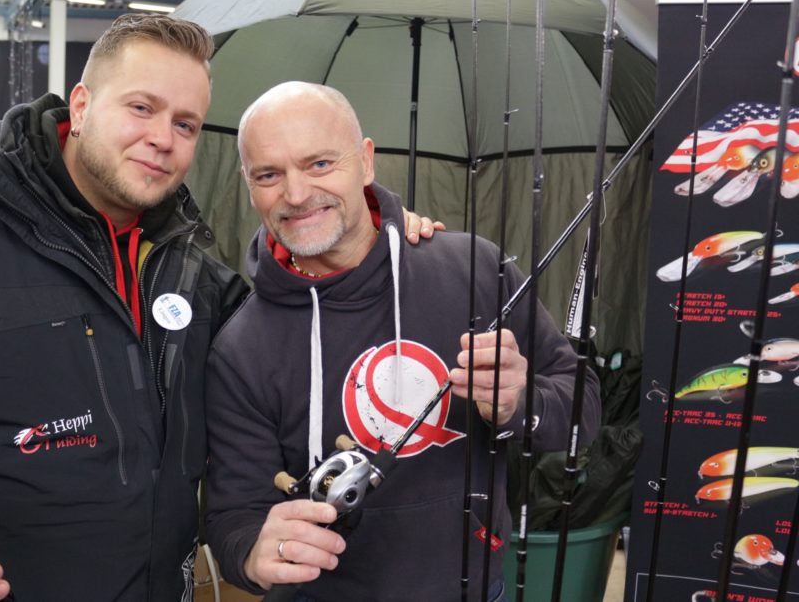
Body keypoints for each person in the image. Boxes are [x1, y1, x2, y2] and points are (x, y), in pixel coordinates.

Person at [0, 16, 437, 602]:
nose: (162, 138)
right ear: (83, 105)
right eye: (142, 107)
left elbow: (293, 335)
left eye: (184, 124)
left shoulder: (194, 272)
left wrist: (376, 237)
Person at [203, 82, 601, 602]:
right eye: (269, 175)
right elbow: (234, 516)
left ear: (365, 162)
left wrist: (517, 405)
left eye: (320, 163)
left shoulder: (474, 268)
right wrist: (255, 554)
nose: (296, 194)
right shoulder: (240, 347)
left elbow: (583, 410)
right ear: (248, 185)